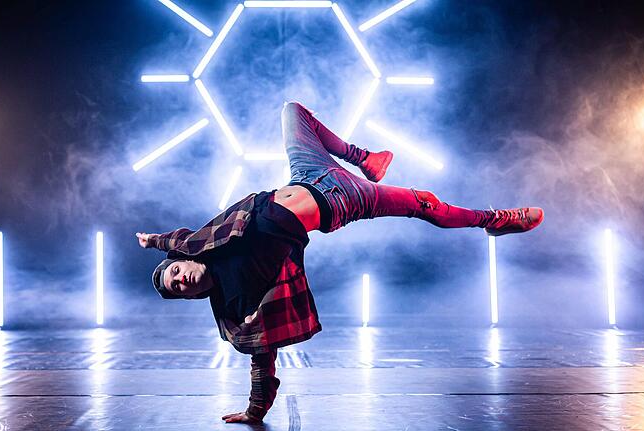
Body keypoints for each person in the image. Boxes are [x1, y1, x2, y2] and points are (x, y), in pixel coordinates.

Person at [135, 101, 543, 424]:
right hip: (342, 201)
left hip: (308, 173)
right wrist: (256, 410)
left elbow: (181, 238)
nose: (182, 280)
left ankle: (366, 157)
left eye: (174, 272)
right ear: (190, 298)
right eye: (177, 290)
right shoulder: (238, 303)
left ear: (180, 260)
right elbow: (262, 353)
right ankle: (497, 220)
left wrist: (155, 240)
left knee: (292, 110)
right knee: (428, 205)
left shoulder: (208, 242)